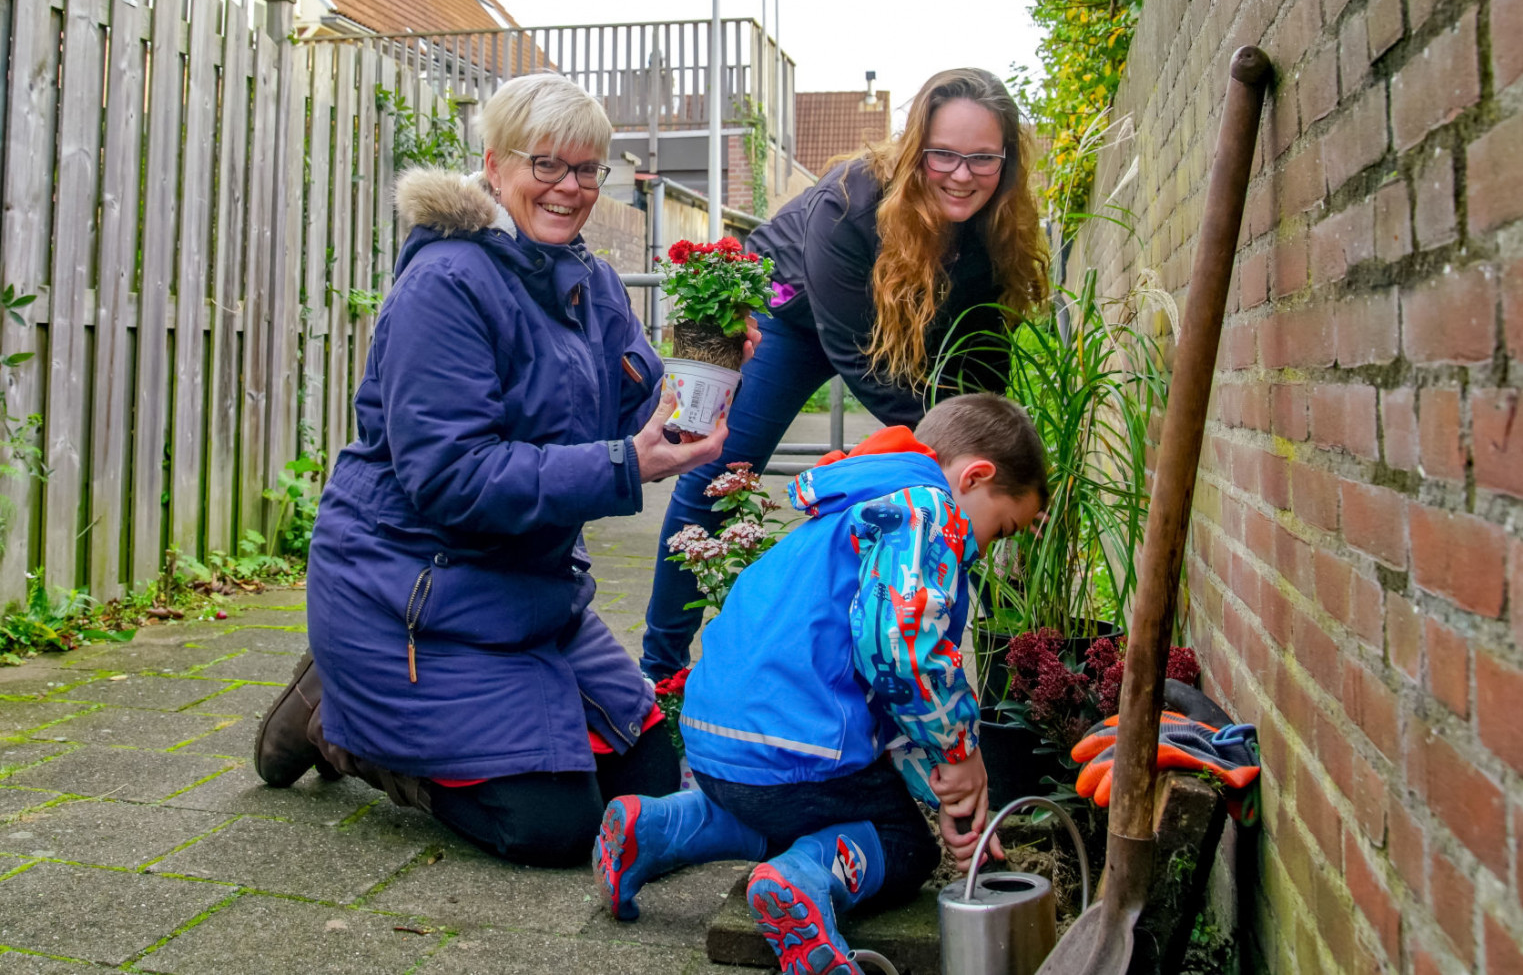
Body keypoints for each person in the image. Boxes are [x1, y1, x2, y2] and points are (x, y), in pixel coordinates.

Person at [252, 73, 738, 868]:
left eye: (588, 170)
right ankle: (335, 722)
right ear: (494, 165)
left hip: (525, 595)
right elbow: (451, 477)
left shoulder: (592, 283)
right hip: (411, 592)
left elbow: (635, 413)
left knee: (651, 777)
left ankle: (364, 704)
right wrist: (624, 464)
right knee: (551, 828)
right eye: (546, 164)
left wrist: (706, 379)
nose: (569, 188)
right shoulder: (445, 285)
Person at [597, 394, 1048, 975]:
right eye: (1002, 528)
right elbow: (903, 649)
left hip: (717, 746)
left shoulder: (855, 506)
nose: (987, 548)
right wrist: (960, 752)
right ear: (975, 476)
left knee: (787, 811)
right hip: (797, 749)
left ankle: (657, 827)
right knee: (903, 845)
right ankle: (802, 883)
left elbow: (882, 686)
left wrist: (940, 789)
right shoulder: (926, 511)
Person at [640, 67, 1048, 680]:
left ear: (1006, 161)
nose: (962, 175)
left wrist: (1000, 462)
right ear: (916, 150)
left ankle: (993, 663)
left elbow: (982, 351)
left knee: (973, 485)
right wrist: (945, 448)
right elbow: (853, 352)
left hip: (891, 323)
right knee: (717, 468)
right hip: (794, 315)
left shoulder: (998, 228)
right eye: (944, 155)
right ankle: (660, 671)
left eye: (983, 159)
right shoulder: (849, 203)